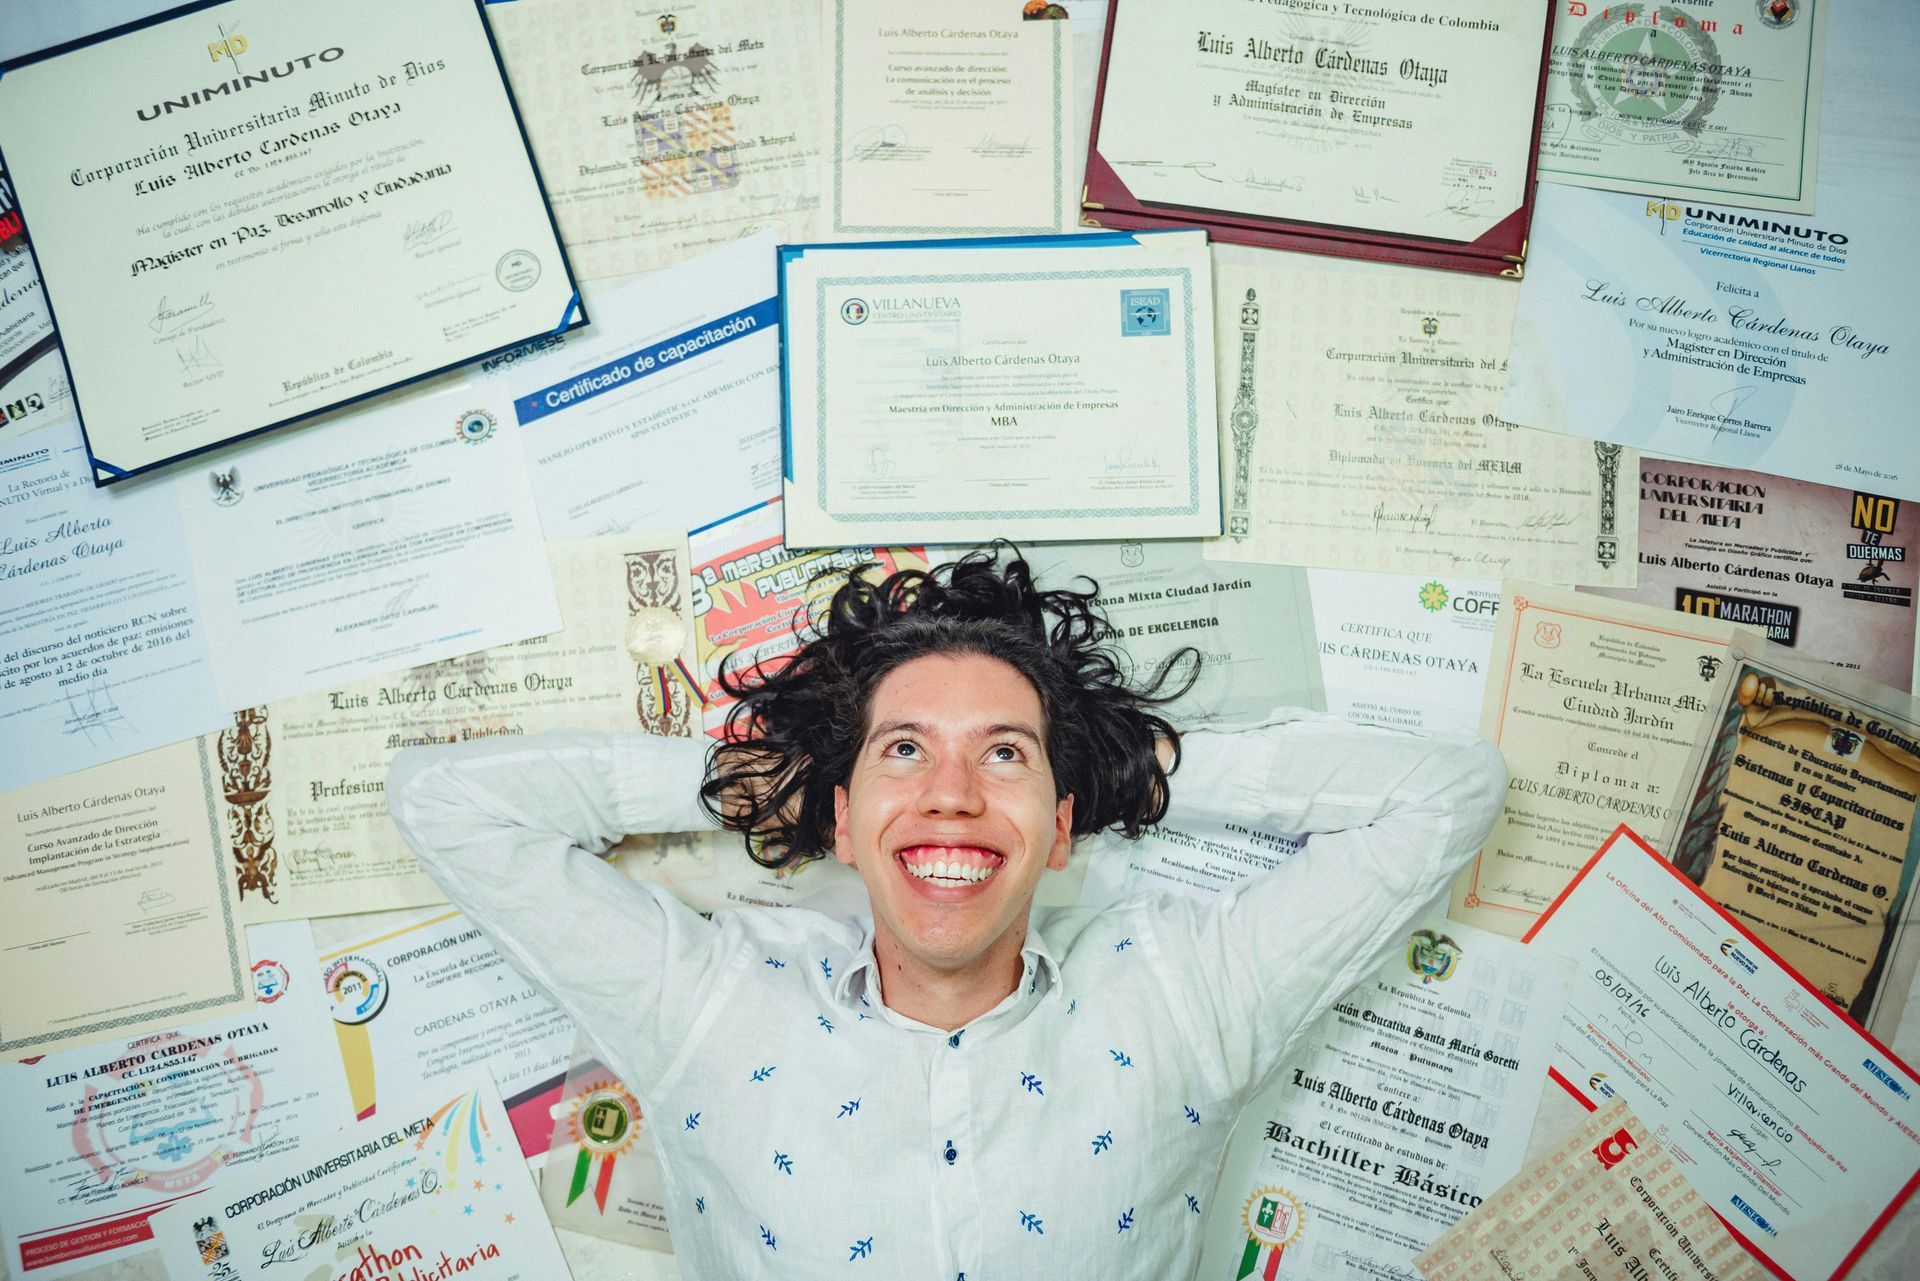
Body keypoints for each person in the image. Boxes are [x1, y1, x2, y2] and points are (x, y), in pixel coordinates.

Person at [386, 548, 1504, 1280]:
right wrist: (765, 787)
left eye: (1004, 756)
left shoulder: (1182, 1002)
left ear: (1064, 828)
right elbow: (447, 802)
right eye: (905, 751)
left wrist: (1117, 767)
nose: (954, 793)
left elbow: (1447, 793)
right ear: (839, 814)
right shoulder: (708, 1012)